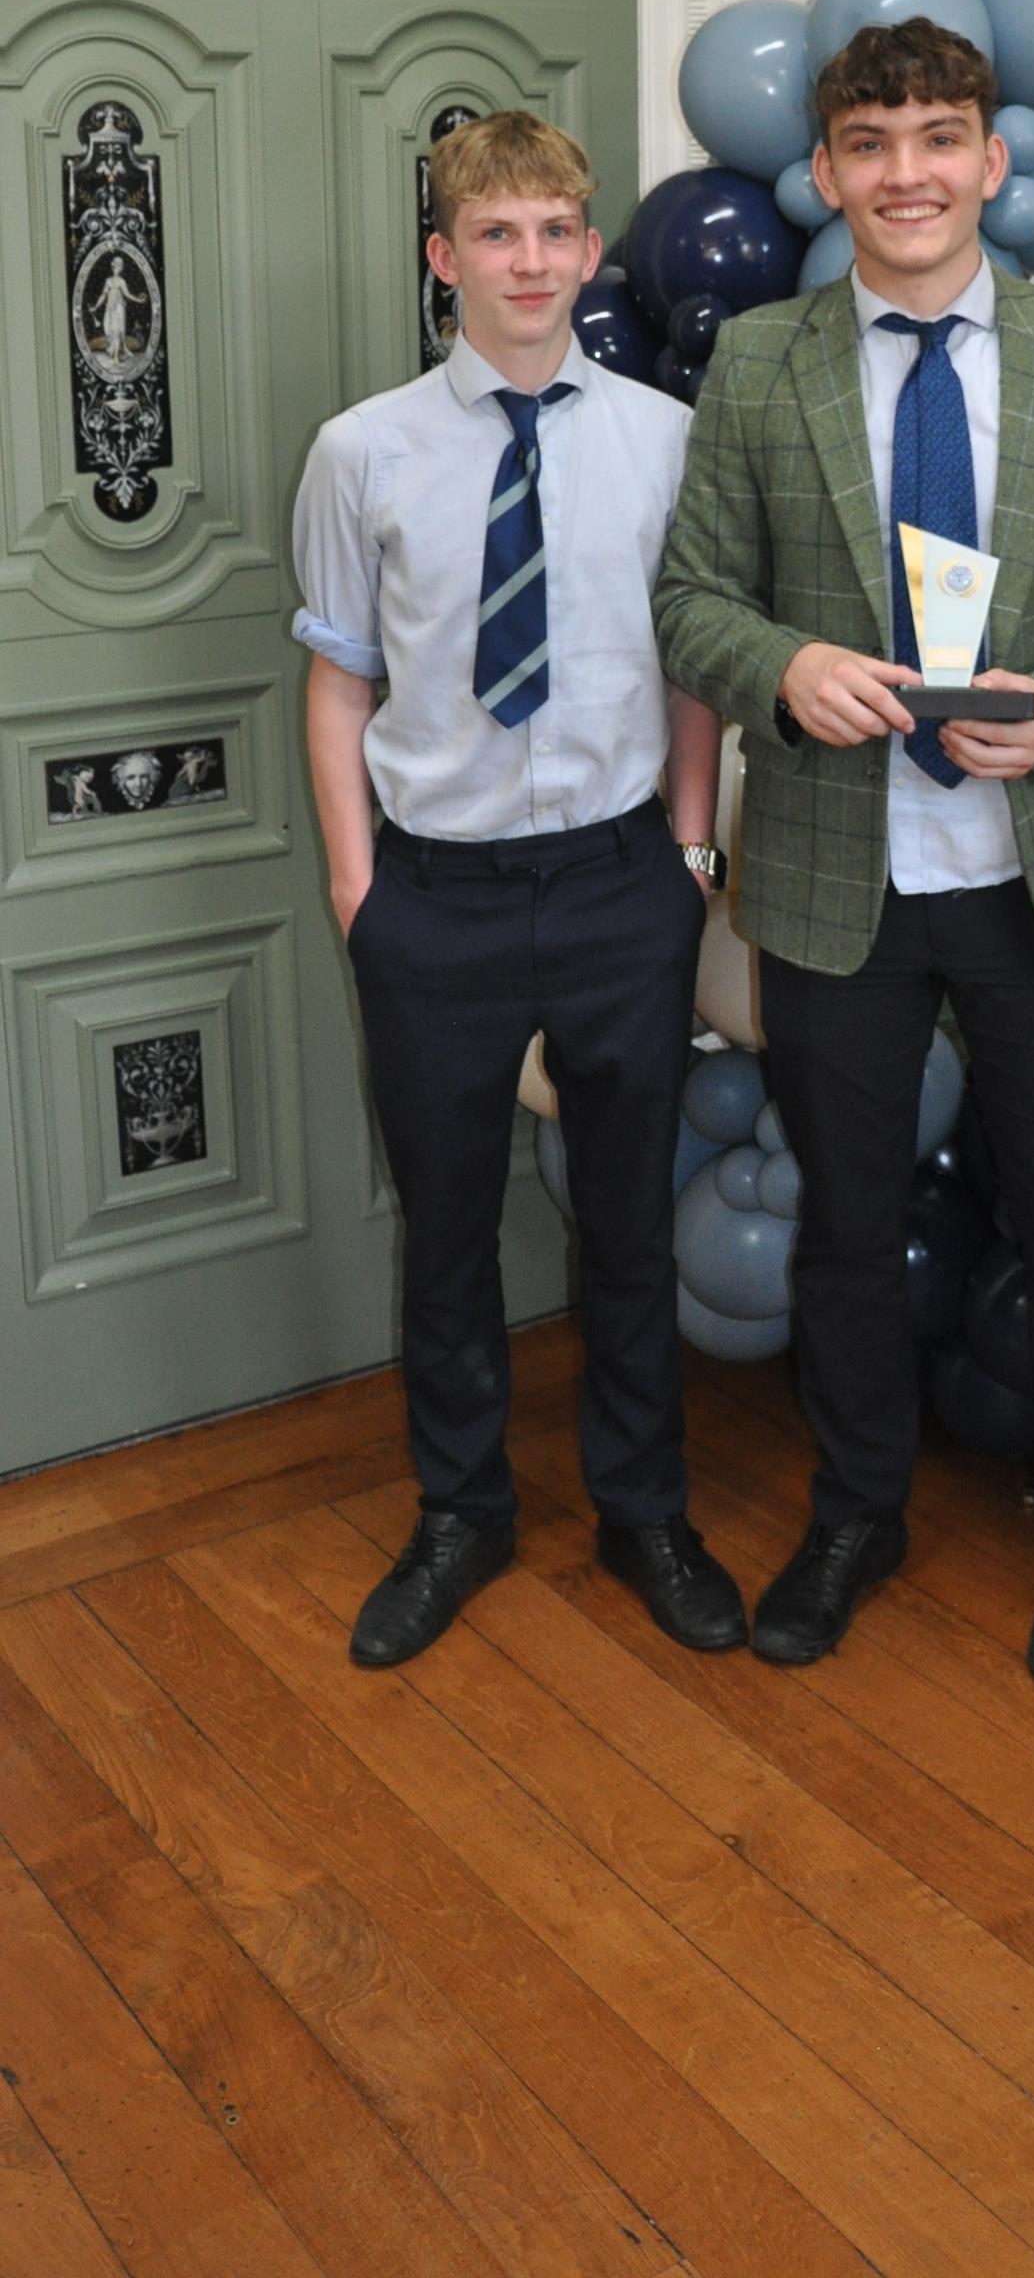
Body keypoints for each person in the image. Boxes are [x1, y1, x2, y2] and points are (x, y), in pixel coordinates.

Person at [655, 17, 1034, 1683]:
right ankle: (855, 1514)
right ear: (828, 172)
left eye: (939, 138)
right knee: (846, 1226)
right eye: (872, 145)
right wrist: (783, 668)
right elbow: (691, 601)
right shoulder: (761, 362)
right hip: (840, 876)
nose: (908, 174)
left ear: (992, 160)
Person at [293, 110, 745, 1670]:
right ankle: (460, 1512)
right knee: (448, 1232)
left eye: (556, 231)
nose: (530, 261)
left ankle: (644, 1510)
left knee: (627, 1225)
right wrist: (359, 889)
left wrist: (692, 859)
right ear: (446, 257)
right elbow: (339, 677)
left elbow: (694, 667)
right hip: (437, 899)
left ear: (591, 250)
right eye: (497, 233)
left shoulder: (664, 439)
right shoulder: (363, 453)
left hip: (623, 885)